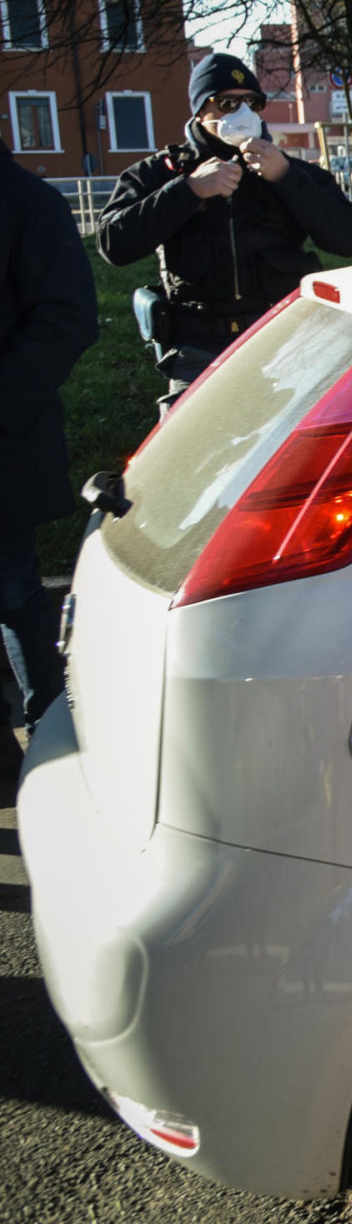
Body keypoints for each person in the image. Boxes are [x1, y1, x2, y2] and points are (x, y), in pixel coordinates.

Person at [97, 51, 352, 400]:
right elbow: (113, 244)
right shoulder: (162, 172)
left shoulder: (287, 169)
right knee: (191, 434)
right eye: (227, 104)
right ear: (200, 111)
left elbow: (348, 239)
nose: (243, 114)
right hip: (200, 348)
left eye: (253, 103)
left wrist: (286, 178)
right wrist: (188, 191)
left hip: (287, 339)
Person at [0, 136, 98, 795]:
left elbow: (67, 316)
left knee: (14, 595)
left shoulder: (28, 203)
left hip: (7, 437)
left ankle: (51, 739)